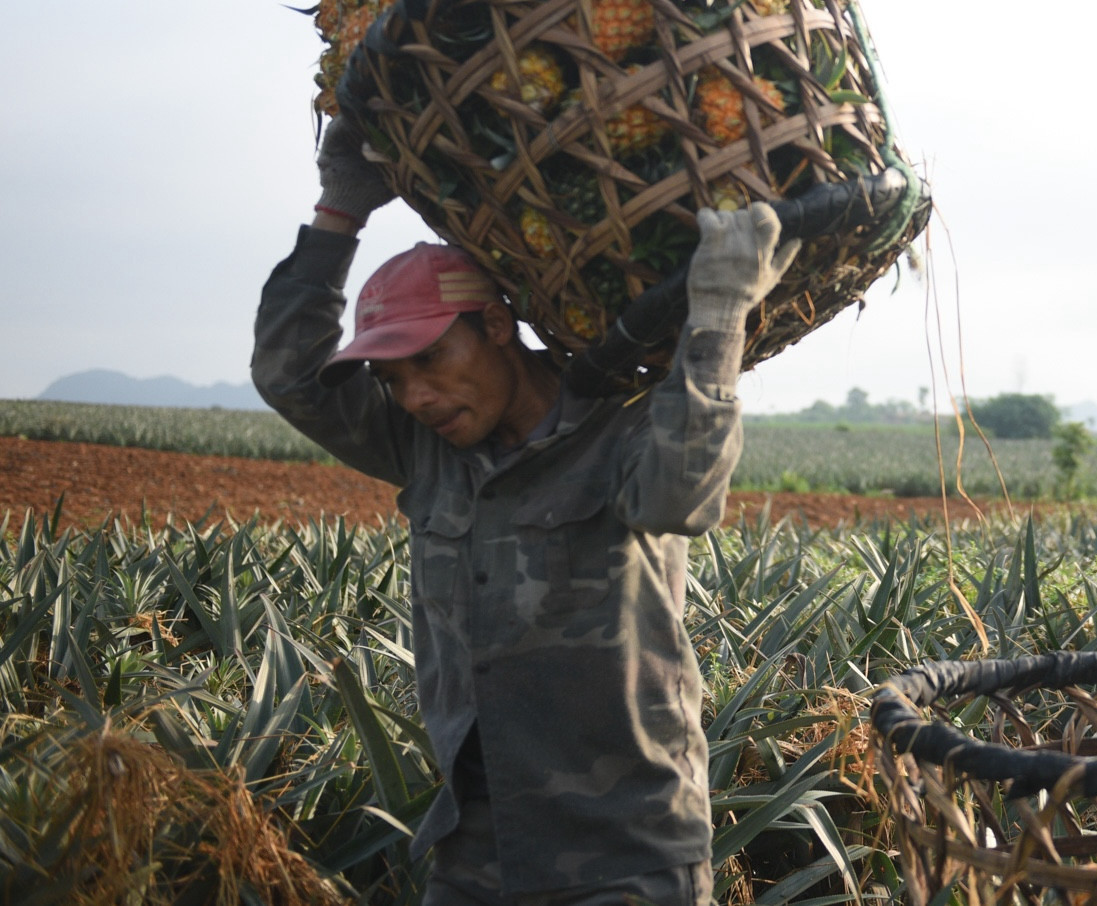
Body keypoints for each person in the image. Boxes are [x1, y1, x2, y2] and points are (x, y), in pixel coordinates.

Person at [252, 120, 798, 906]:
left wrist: (717, 321)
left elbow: (684, 496)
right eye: (391, 380)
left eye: (430, 361)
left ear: (498, 326)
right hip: (476, 848)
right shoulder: (426, 448)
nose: (416, 397)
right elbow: (288, 373)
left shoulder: (620, 425)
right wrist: (338, 214)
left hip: (626, 857)